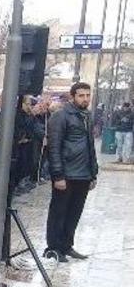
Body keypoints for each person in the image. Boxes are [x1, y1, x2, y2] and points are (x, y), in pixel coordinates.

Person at [44, 82, 98, 263]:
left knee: (74, 213)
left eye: (88, 95)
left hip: (83, 174)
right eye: (81, 95)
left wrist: (93, 173)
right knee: (59, 212)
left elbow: (90, 146)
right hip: (66, 174)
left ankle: (66, 245)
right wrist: (58, 175)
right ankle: (53, 248)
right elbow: (54, 147)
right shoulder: (60, 116)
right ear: (73, 96)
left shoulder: (87, 116)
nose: (85, 99)